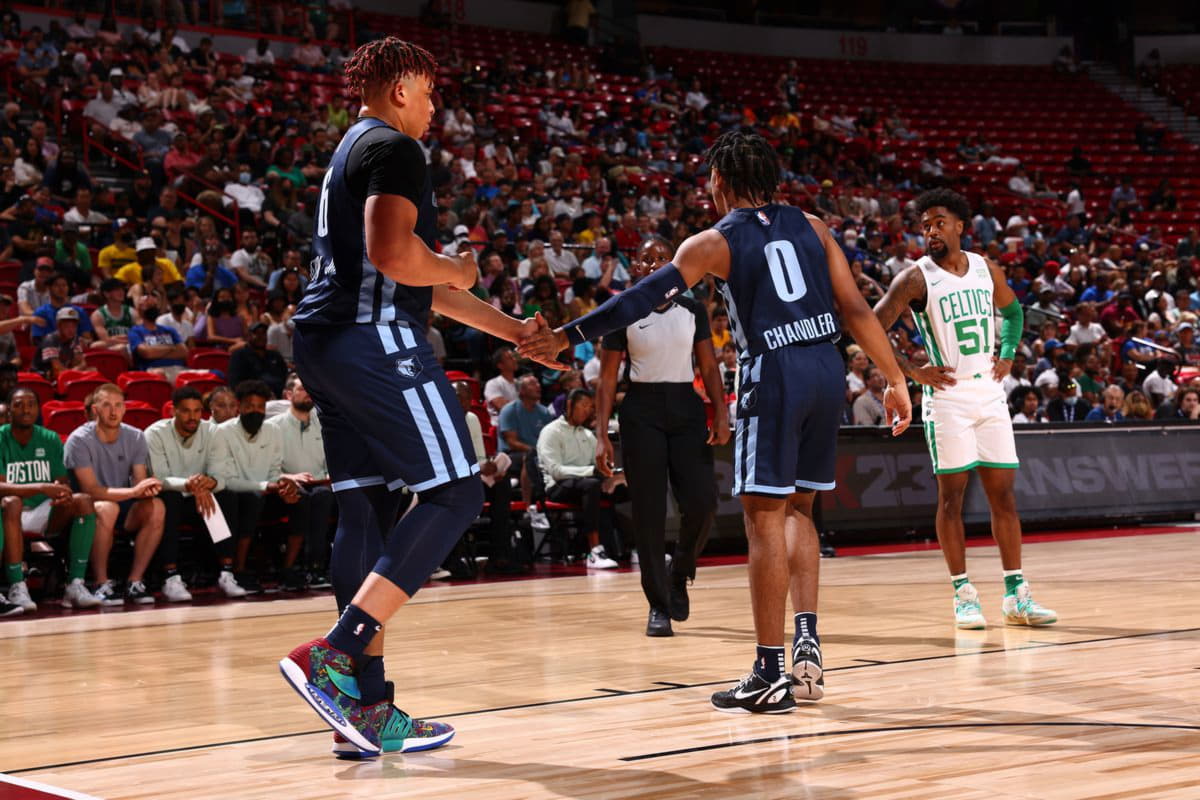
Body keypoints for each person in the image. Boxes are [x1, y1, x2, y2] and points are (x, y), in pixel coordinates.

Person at [519, 131, 912, 714]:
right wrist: (894, 379)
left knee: (762, 521)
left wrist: (564, 335)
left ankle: (770, 669)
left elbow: (639, 299)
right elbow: (855, 308)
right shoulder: (813, 225)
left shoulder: (714, 241)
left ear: (720, 182)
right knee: (801, 510)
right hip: (824, 368)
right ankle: (806, 640)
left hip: (773, 373)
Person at [278, 38, 558, 756]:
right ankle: (335, 653)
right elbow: (400, 260)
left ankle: (364, 712)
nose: (435, 107)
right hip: (372, 338)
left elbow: (412, 282)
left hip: (325, 341)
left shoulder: (352, 147)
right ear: (402, 87)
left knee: (365, 509)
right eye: (430, 92)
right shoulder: (397, 150)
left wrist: (511, 330)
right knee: (458, 492)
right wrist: (463, 265)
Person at [873, 188, 1057, 632]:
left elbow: (1013, 314)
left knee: (1004, 498)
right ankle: (963, 593)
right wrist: (912, 372)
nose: (931, 231)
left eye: (939, 222)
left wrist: (1009, 354)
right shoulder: (915, 278)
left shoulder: (984, 267)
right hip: (949, 399)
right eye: (924, 226)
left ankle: (1016, 594)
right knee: (951, 500)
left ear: (960, 225)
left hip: (991, 394)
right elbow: (871, 327)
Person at [594, 235, 727, 636]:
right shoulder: (623, 311)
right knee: (649, 513)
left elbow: (708, 364)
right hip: (641, 410)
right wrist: (602, 434)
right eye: (644, 258)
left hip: (686, 405)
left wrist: (720, 411)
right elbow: (606, 379)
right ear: (634, 267)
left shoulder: (692, 307)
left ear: (673, 264)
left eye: (660, 258)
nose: (651, 264)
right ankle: (658, 604)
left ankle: (680, 571)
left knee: (702, 502)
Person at [1, 387, 100, 614]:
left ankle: (75, 585)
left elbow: (61, 481)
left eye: (31, 404)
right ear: (9, 412)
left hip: (43, 512)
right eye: (18, 404)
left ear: (38, 410)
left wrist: (63, 492)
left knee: (83, 500)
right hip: (8, 513)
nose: (25, 409)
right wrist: (41, 487)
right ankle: (17, 586)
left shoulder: (49, 438)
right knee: (12, 502)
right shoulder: (0, 439)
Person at [66, 384, 165, 605]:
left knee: (157, 506)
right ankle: (101, 583)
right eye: (107, 405)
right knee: (107, 507)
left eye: (119, 405)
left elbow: (139, 480)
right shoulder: (78, 440)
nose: (113, 411)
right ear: (95, 410)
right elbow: (90, 490)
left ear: (125, 409)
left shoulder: (136, 436)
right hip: (87, 509)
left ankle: (135, 581)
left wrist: (148, 486)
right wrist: (134, 490)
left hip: (124, 505)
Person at [145, 385, 247, 601]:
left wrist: (208, 484)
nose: (192, 417)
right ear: (173, 411)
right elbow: (159, 478)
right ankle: (170, 577)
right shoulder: (154, 433)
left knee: (227, 496)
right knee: (168, 500)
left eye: (197, 411)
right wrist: (189, 485)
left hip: (201, 497)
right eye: (186, 411)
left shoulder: (213, 431)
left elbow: (220, 473)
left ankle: (226, 573)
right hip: (172, 497)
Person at [209, 380, 300, 591]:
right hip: (235, 495)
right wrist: (266, 485)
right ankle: (238, 570)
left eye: (260, 407)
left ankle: (290, 569)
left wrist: (284, 485)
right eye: (250, 406)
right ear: (239, 407)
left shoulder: (273, 430)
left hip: (266, 492)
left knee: (301, 498)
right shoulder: (222, 432)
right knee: (251, 500)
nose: (255, 411)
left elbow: (275, 471)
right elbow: (226, 479)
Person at [536, 388, 627, 566]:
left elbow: (601, 465)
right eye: (584, 405)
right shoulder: (551, 431)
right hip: (558, 486)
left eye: (590, 407)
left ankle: (640, 548)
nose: (588, 410)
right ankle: (594, 551)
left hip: (586, 483)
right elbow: (556, 471)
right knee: (591, 485)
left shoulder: (587, 434)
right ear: (570, 405)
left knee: (631, 487)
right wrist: (592, 472)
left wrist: (614, 475)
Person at [266, 374, 335, 591]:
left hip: (320, 483)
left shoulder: (324, 424)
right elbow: (268, 466)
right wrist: (287, 478)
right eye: (302, 389)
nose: (308, 394)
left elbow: (331, 460)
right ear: (288, 395)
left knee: (323, 496)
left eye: (310, 389)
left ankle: (316, 567)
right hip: (285, 485)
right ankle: (291, 567)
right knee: (302, 498)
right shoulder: (273, 426)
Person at [453, 380, 522, 573]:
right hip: (452, 479)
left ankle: (499, 556)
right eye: (460, 398)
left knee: (502, 485)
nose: (466, 403)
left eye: (468, 398)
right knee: (452, 494)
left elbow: (479, 455)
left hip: (473, 476)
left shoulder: (472, 418)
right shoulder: (440, 419)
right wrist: (478, 466)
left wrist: (492, 467)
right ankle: (454, 560)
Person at [128, 295, 188, 382]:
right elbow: (147, 353)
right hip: (154, 370)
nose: (152, 308)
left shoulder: (169, 330)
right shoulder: (135, 331)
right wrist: (171, 347)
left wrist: (156, 351)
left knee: (213, 373)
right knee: (160, 375)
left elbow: (183, 352)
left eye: (154, 306)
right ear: (139, 311)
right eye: (148, 306)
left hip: (179, 369)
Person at [227, 321, 288, 397]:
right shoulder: (239, 355)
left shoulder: (275, 355)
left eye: (263, 333)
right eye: (256, 333)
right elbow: (234, 383)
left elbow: (284, 377)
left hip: (277, 397)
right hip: (251, 397)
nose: (261, 336)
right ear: (248, 336)